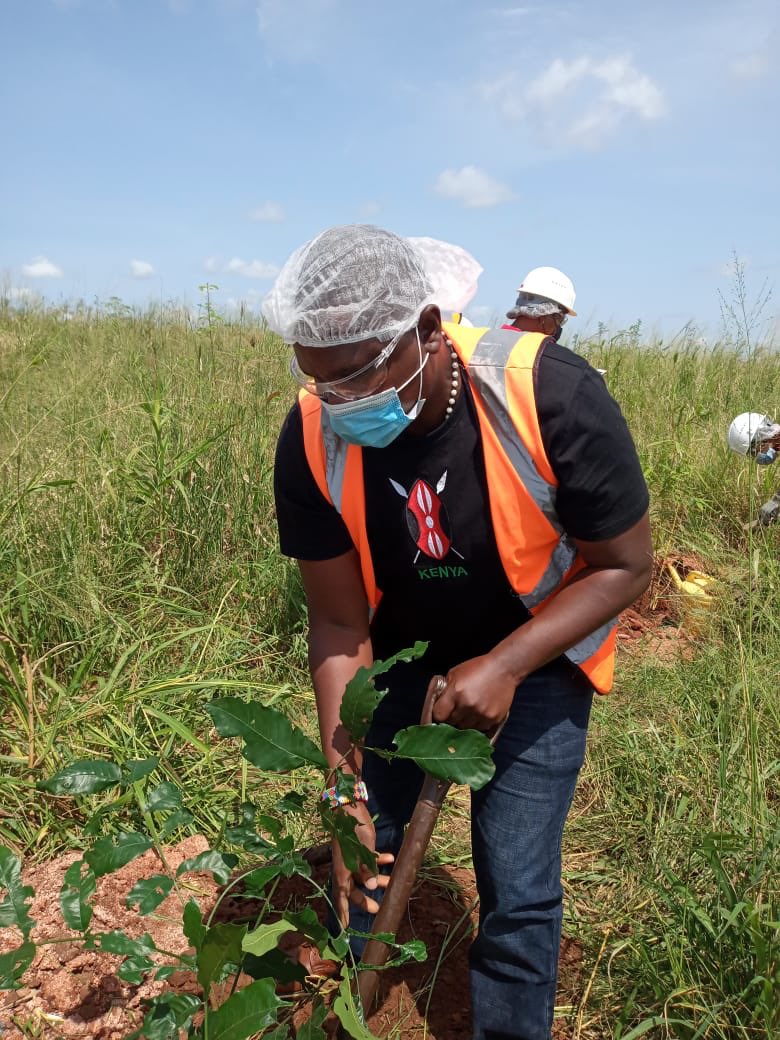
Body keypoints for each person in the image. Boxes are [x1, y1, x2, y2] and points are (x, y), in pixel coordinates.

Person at [266, 224, 652, 1040]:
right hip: (398, 658)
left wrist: (507, 664)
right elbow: (337, 620)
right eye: (320, 381)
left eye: (360, 376)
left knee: (517, 882)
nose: (342, 403)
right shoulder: (310, 433)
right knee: (366, 850)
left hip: (539, 655)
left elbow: (625, 565)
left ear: (430, 329)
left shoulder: (548, 394)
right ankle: (352, 1007)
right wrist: (343, 792)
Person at [503, 266, 577, 342]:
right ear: (546, 314)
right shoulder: (543, 348)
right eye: (560, 320)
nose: (557, 328)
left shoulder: (495, 337)